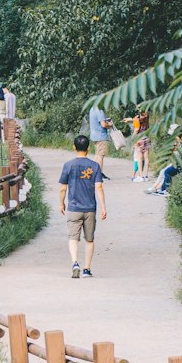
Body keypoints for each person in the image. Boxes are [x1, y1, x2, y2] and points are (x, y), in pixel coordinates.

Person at [58, 133, 106, 279]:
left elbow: (62, 189)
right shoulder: (95, 166)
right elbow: (98, 187)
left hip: (73, 208)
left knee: (73, 237)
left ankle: (75, 263)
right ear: (88, 148)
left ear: (74, 147)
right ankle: (87, 269)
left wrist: (61, 203)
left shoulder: (68, 165)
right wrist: (103, 206)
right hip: (90, 208)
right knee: (89, 239)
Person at [87, 101, 113, 172]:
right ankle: (99, 174)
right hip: (101, 136)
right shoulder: (100, 111)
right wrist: (110, 125)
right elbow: (103, 125)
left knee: (97, 154)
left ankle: (93, 172)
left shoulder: (92, 109)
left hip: (94, 135)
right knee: (100, 156)